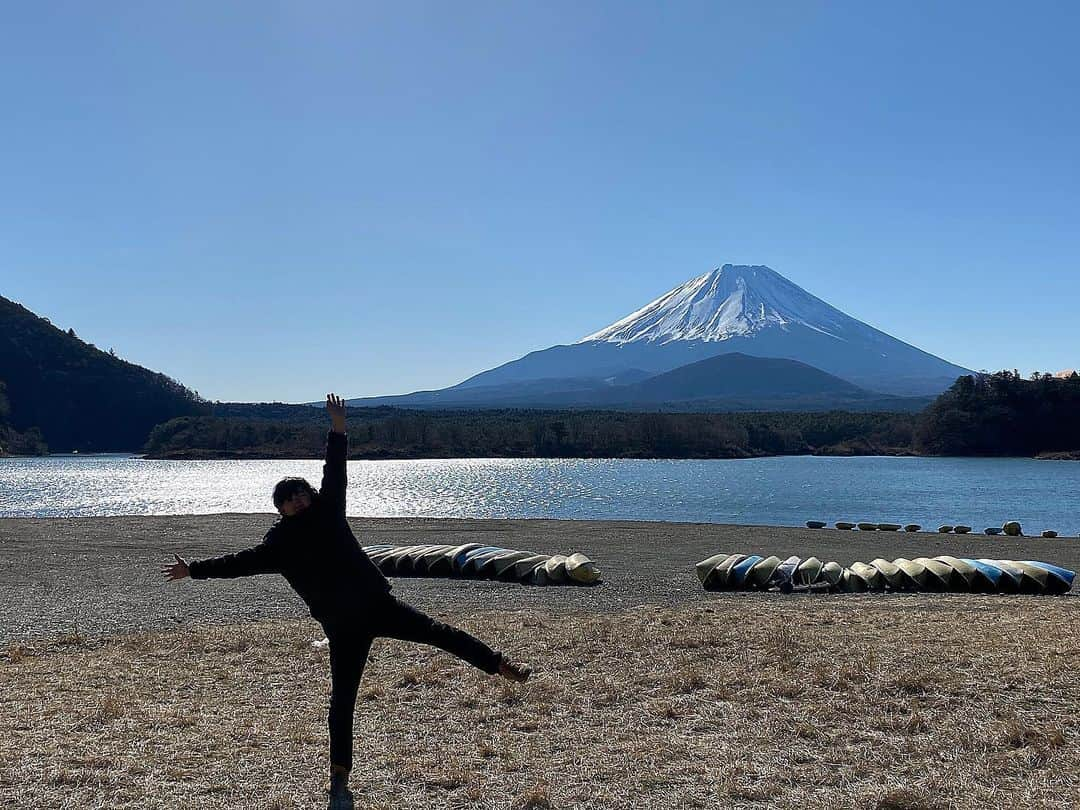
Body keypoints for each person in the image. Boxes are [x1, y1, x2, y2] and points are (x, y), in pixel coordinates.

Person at [162, 393, 531, 808]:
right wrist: (193, 569)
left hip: (378, 605)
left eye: (301, 493)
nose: (299, 499)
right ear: (280, 509)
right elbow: (237, 563)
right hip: (342, 625)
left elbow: (335, 471)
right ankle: (339, 775)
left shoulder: (330, 511)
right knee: (343, 698)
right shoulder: (278, 545)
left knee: (441, 634)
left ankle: (500, 665)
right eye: (290, 498)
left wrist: (338, 428)